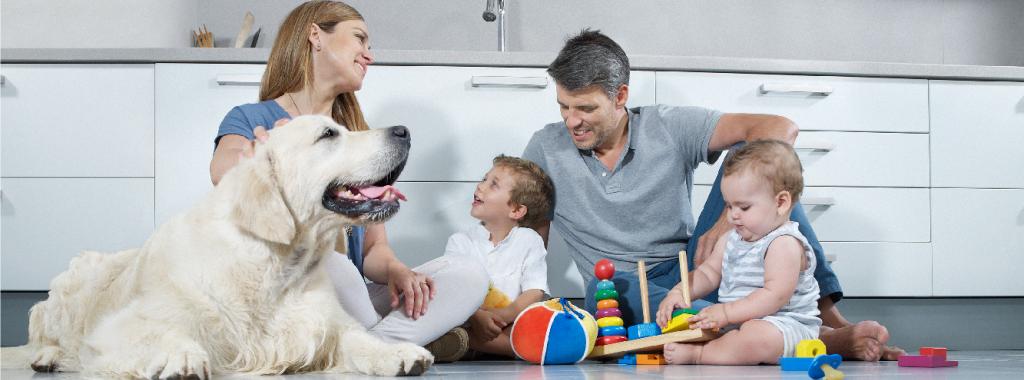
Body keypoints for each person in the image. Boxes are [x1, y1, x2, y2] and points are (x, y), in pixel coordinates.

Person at [522, 29, 903, 361]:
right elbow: (528, 239)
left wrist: (724, 224)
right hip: (621, 286)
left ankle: (827, 323)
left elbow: (780, 127)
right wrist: (524, 308)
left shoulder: (667, 125)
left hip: (694, 268)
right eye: (564, 107)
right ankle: (801, 339)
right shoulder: (545, 147)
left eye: (586, 108)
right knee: (609, 291)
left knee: (765, 172)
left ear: (620, 96)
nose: (572, 121)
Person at [208, 0, 488, 358]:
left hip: (350, 296)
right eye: (360, 39)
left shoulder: (356, 137)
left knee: (468, 274)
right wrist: (261, 156)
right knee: (323, 259)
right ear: (315, 36)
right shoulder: (252, 118)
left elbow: (373, 250)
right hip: (289, 294)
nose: (368, 55)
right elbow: (224, 169)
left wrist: (397, 271)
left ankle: (364, 347)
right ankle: (396, 342)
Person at [655, 140, 821, 364]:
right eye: (728, 206)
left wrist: (725, 313)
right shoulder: (731, 239)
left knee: (757, 335)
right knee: (698, 323)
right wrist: (679, 293)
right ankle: (721, 347)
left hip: (785, 327)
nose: (733, 215)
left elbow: (774, 296)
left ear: (781, 203)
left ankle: (701, 355)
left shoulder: (783, 243)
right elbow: (707, 273)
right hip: (737, 323)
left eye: (743, 207)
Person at [441, 155, 554, 360]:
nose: (480, 186)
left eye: (493, 185)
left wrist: (505, 315)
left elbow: (534, 291)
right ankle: (464, 340)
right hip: (469, 320)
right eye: (484, 179)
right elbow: (452, 288)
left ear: (517, 210)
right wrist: (477, 317)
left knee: (538, 330)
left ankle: (462, 342)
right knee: (438, 308)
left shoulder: (530, 241)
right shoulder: (460, 241)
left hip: (510, 325)